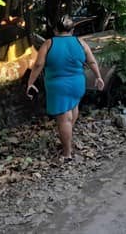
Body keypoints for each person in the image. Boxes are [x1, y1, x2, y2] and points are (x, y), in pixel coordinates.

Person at [26, 15, 105, 159]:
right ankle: (67, 137)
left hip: (58, 86)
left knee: (64, 119)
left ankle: (67, 153)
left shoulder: (49, 44)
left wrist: (30, 82)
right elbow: (92, 61)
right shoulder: (80, 42)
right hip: (78, 84)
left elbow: (38, 64)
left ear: (55, 29)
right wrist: (98, 77)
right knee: (73, 109)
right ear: (72, 29)